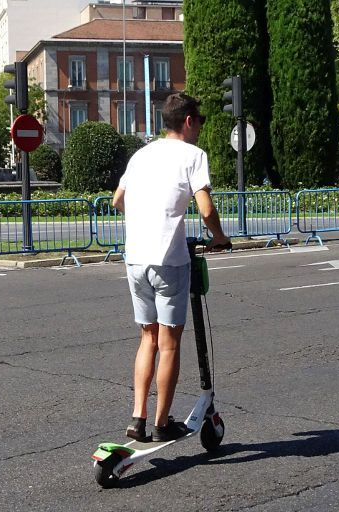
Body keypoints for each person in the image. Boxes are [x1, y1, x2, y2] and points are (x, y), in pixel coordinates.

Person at [112, 92, 230, 442]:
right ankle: (163, 422)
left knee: (147, 338)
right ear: (189, 121)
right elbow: (206, 209)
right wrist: (220, 237)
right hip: (168, 261)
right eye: (200, 121)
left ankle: (138, 417)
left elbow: (119, 200)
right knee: (170, 342)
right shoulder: (193, 156)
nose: (200, 129)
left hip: (135, 258)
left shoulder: (141, 154)